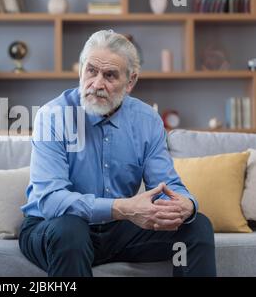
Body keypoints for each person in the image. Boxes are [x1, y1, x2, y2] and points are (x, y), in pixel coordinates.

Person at [19, 30, 216, 277]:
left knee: (196, 227)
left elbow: (168, 186)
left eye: (110, 75)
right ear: (81, 70)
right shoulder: (53, 116)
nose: (97, 84)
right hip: (51, 227)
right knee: (70, 231)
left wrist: (186, 205)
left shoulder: (147, 120)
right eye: (91, 70)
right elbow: (51, 201)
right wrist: (123, 208)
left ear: (130, 81)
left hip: (118, 230)